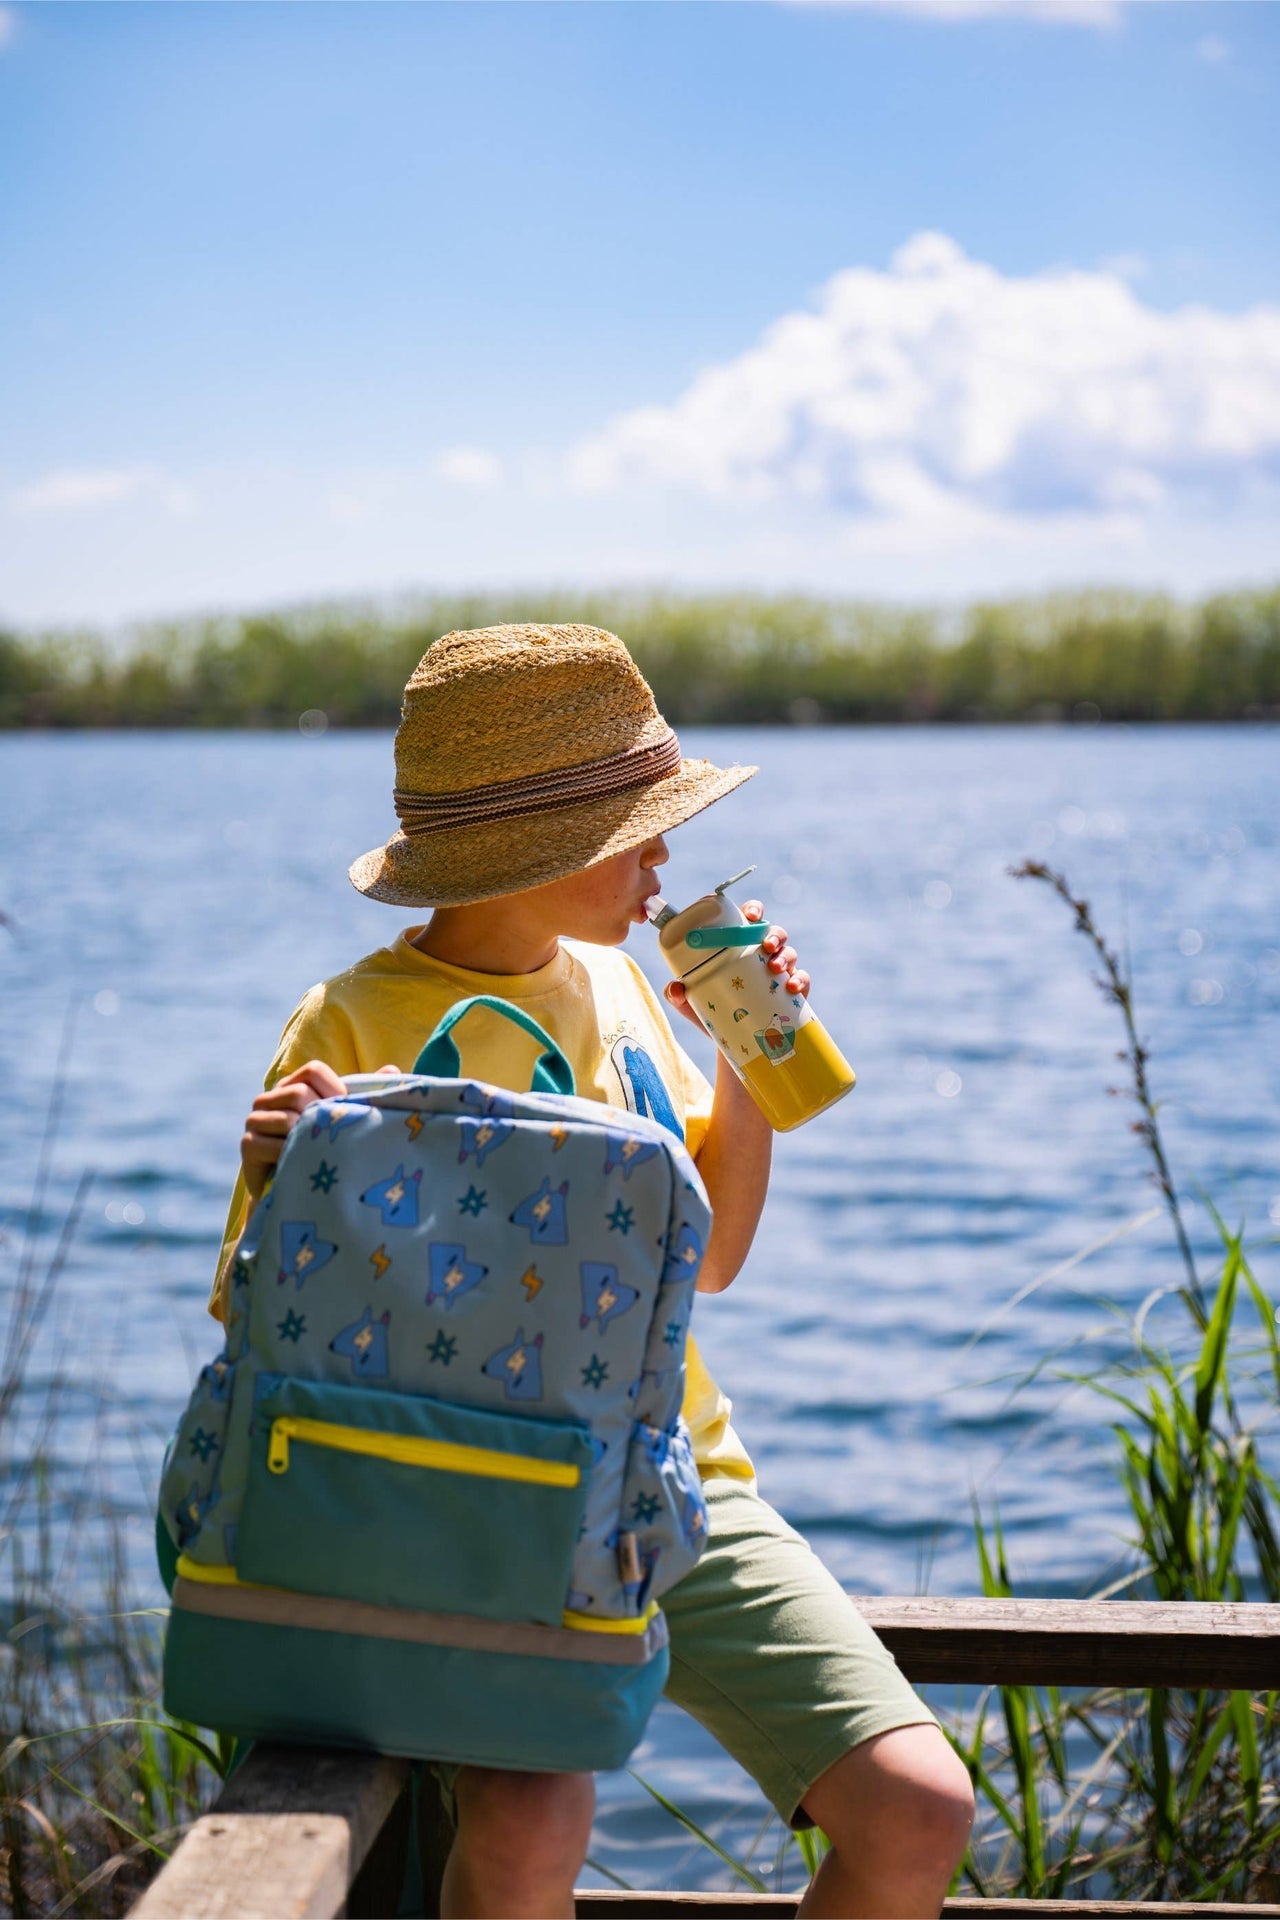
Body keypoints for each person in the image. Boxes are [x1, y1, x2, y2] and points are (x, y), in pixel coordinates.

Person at [212, 623, 974, 1920]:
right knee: (527, 1825)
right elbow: (258, 1317)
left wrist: (743, 1050)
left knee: (919, 1811)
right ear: (539, 845)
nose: (666, 856)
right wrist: (297, 1182)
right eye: (643, 824)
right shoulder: (344, 1023)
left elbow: (715, 1260)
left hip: (675, 1481)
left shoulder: (625, 992)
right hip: (473, 1508)